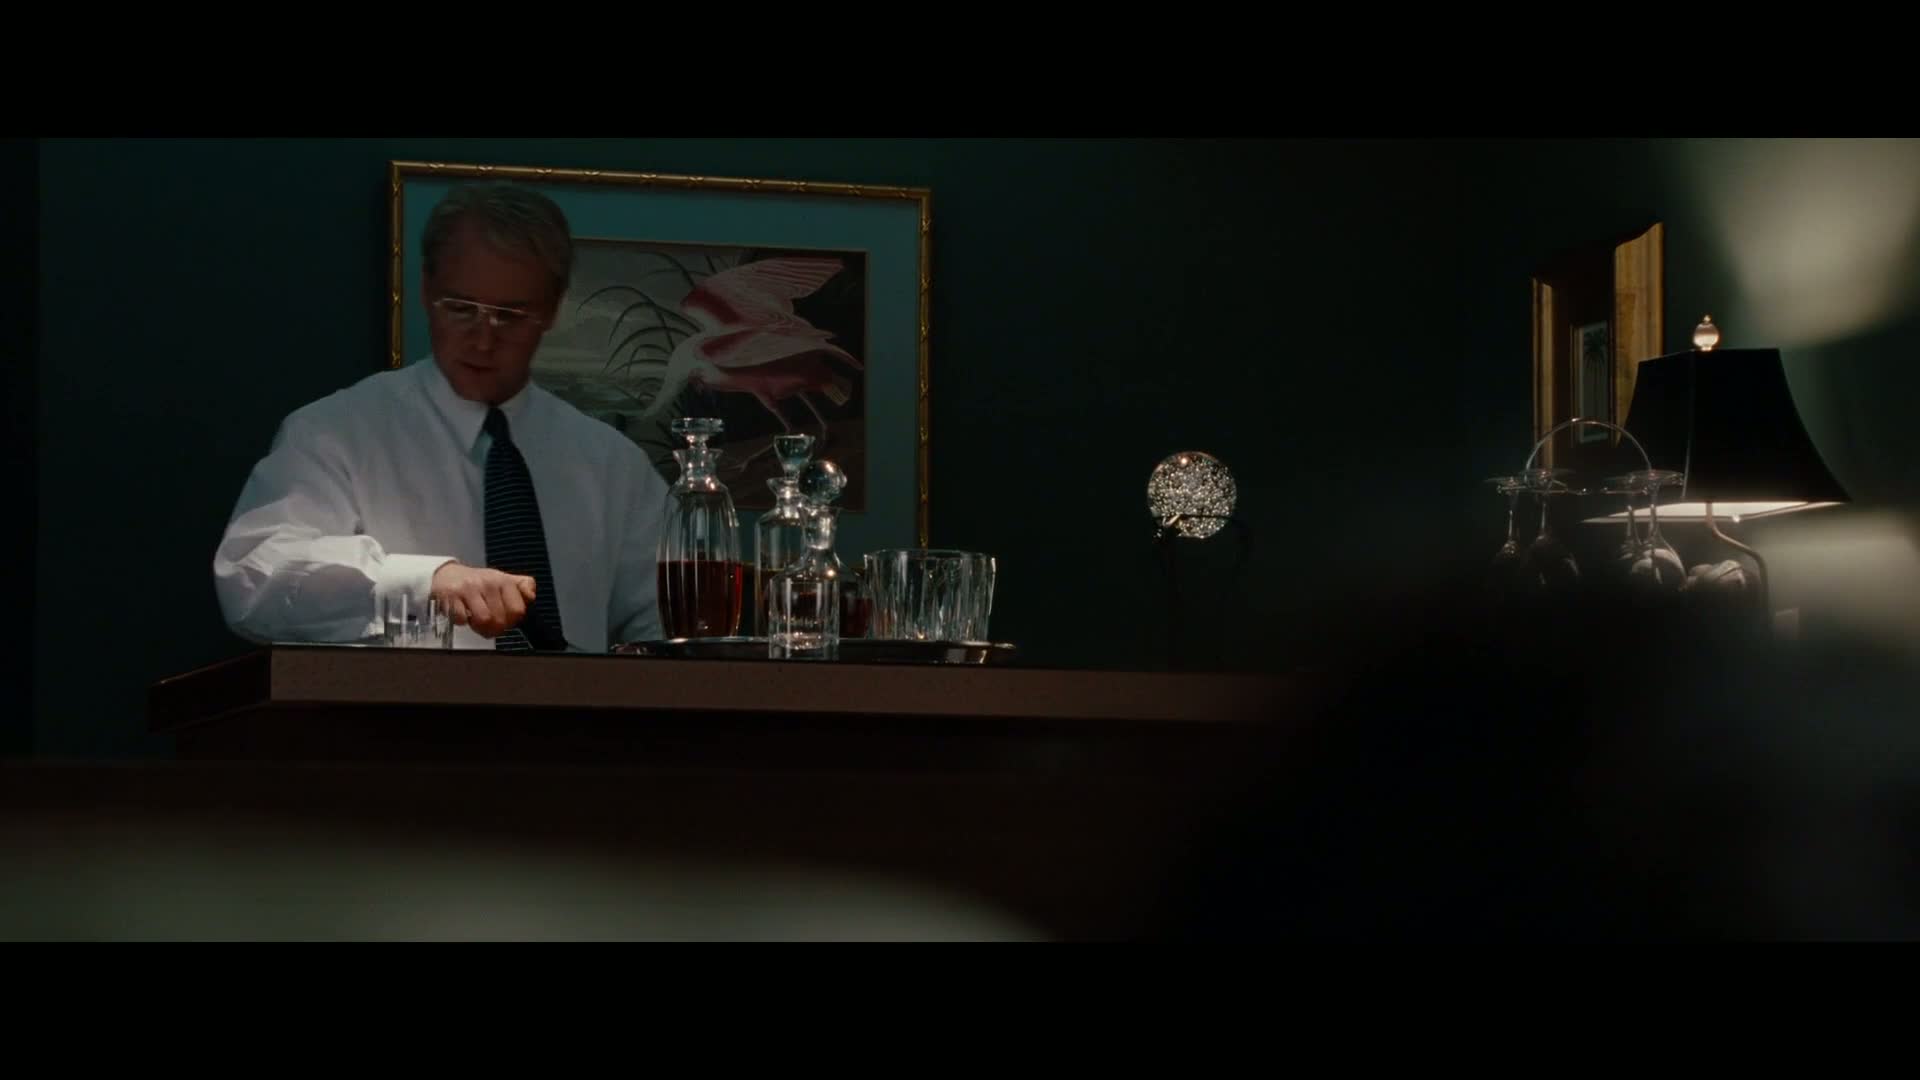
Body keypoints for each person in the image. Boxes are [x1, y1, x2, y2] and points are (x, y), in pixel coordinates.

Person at [214, 183, 668, 651]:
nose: (483, 340)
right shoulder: (334, 434)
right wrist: (422, 583)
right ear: (426, 289)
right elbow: (254, 576)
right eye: (461, 309)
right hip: (392, 702)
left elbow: (671, 624)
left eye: (511, 315)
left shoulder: (614, 466)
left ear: (552, 309)